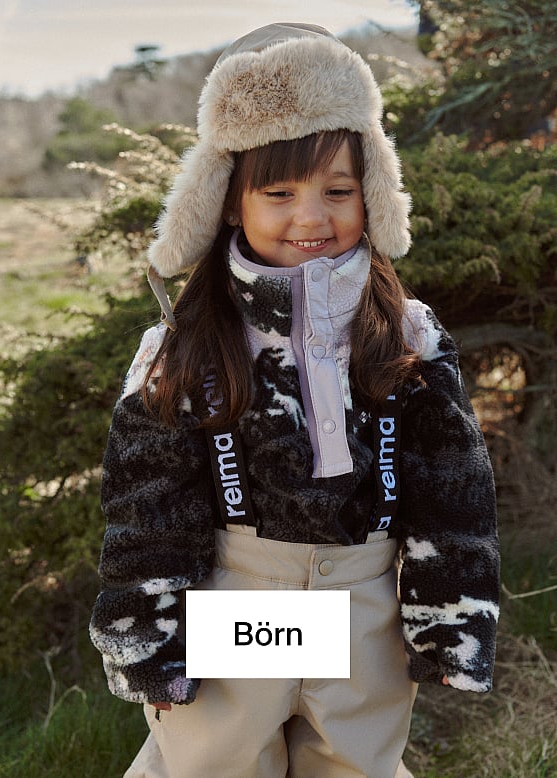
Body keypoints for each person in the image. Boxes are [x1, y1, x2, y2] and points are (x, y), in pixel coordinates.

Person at [89, 23, 500, 778]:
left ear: (373, 193)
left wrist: (451, 617)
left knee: (357, 764)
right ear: (226, 201)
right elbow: (147, 502)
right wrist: (146, 634)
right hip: (236, 604)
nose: (312, 219)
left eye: (338, 192)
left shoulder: (409, 334)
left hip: (365, 610)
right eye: (278, 193)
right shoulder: (183, 347)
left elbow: (452, 486)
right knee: (212, 764)